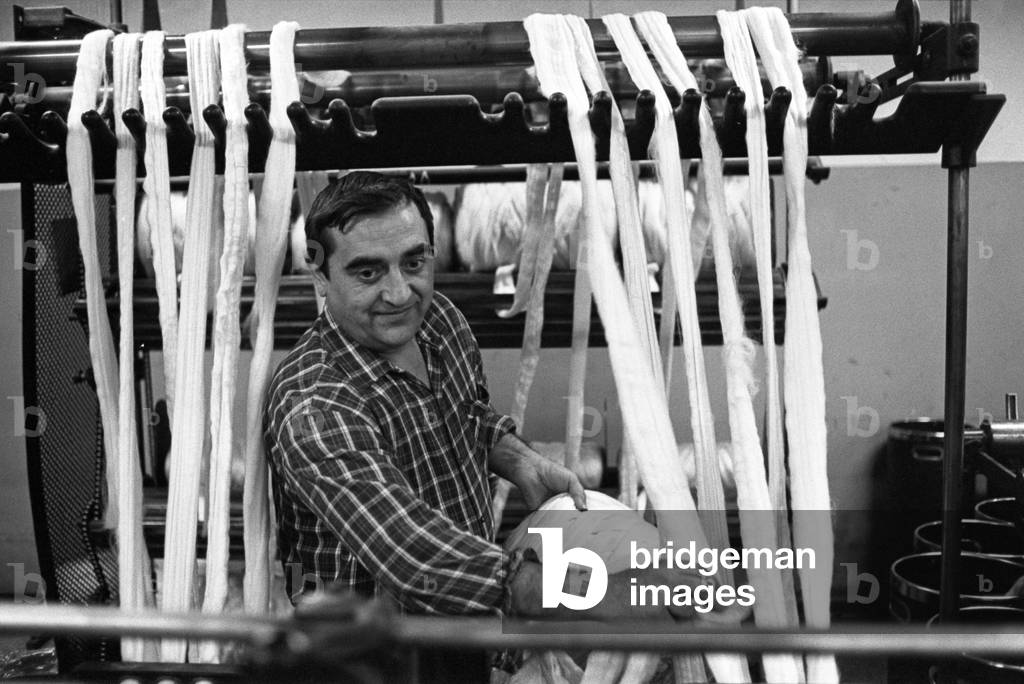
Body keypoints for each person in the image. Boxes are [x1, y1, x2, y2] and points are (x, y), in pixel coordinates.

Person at [264, 171, 594, 618]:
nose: (400, 293)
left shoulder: (439, 320)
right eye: (367, 271)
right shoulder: (314, 401)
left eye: (414, 263)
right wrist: (588, 592)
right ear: (321, 275)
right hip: (369, 654)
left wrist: (521, 461)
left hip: (466, 614)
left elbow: (469, 414)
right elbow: (409, 552)